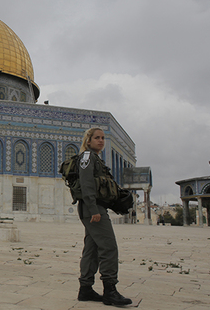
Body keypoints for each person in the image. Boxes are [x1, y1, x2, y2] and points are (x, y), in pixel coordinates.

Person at [75, 127, 132, 306]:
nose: (101, 141)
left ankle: (85, 289)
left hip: (96, 207)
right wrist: (94, 210)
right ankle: (110, 291)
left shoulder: (95, 158)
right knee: (108, 247)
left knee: (92, 250)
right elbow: (86, 185)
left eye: (102, 138)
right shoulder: (86, 157)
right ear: (88, 140)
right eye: (97, 138)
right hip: (93, 208)